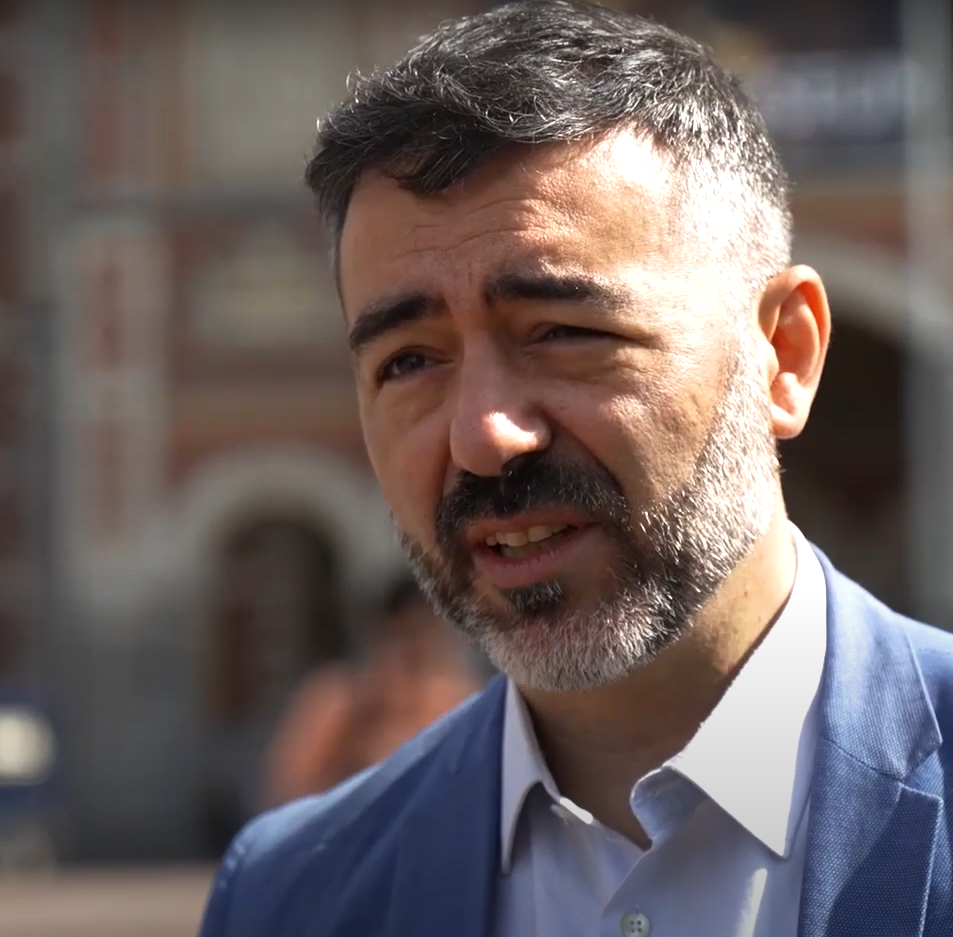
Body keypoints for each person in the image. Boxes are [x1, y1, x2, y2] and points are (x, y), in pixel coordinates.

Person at [199, 3, 953, 935]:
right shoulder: (285, 898)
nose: (483, 436)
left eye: (561, 332)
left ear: (782, 354)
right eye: (409, 361)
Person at [259, 573, 485, 805]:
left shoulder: (462, 703)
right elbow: (286, 791)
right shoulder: (338, 699)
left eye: (428, 640)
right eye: (407, 637)